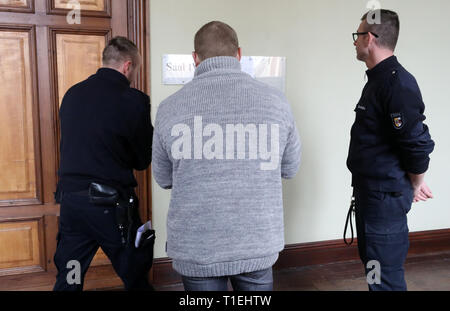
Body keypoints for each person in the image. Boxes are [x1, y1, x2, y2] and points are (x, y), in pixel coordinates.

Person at [152, 21, 301, 291]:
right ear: (239, 54)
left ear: (195, 59)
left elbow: (163, 178)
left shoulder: (168, 109)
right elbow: (290, 167)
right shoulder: (277, 102)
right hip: (257, 242)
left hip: (197, 247)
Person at [53, 37, 153, 291]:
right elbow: (142, 160)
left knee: (70, 276)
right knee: (135, 274)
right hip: (110, 207)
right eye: (135, 70)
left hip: (72, 204)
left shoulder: (72, 94)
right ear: (128, 66)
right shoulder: (133, 100)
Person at [347, 9, 435, 291]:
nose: (354, 41)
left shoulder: (397, 84)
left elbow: (417, 142)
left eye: (357, 35)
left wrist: (416, 181)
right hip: (371, 195)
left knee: (384, 277)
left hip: (383, 201)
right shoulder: (377, 80)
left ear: (370, 38)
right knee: (374, 269)